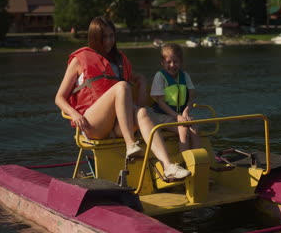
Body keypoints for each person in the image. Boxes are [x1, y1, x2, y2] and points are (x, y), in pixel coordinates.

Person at [55, 16, 191, 180]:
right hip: (92, 123)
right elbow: (59, 98)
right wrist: (75, 114)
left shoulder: (120, 60)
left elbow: (130, 87)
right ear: (94, 38)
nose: (109, 41)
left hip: (117, 125)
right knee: (122, 86)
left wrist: (140, 80)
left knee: (143, 113)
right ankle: (130, 145)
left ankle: (168, 167)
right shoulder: (79, 60)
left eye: (111, 36)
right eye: (104, 37)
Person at [150, 43, 200, 152]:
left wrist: (186, 112)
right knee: (183, 130)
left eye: (175, 62)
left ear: (181, 62)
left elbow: (191, 98)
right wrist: (177, 116)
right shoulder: (160, 76)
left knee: (195, 129)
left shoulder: (184, 76)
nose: (172, 65)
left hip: (180, 115)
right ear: (162, 62)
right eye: (168, 62)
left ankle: (198, 160)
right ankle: (185, 162)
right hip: (162, 116)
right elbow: (160, 102)